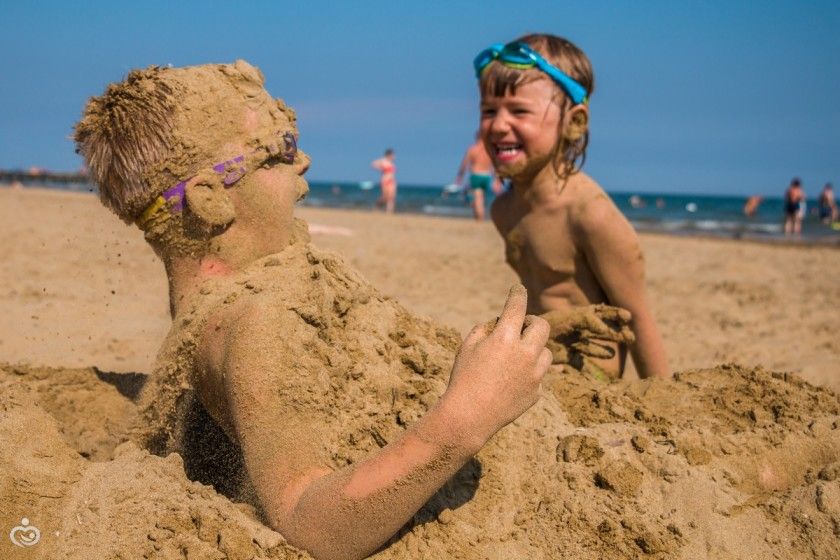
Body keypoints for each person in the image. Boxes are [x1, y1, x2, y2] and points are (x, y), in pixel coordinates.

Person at [74, 60, 631, 560]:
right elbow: (307, 521)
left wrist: (537, 335)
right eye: (282, 149)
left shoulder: (234, 302)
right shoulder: (255, 323)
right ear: (210, 200)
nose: (306, 163)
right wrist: (466, 419)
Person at [477, 34, 670, 380]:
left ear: (574, 122)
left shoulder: (589, 215)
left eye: (519, 110)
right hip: (536, 367)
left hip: (587, 377)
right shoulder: (503, 210)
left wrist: (662, 398)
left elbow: (637, 319)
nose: (498, 125)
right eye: (489, 110)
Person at [454, 132, 501, 221]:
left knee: (477, 198)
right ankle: (478, 216)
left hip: (476, 175)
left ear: (476, 137)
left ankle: (479, 219)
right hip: (487, 176)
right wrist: (497, 180)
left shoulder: (472, 149)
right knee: (480, 198)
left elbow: (464, 164)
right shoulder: (489, 150)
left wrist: (459, 177)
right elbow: (494, 166)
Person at [371, 148, 397, 213]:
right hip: (385, 180)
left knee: (391, 197)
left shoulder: (391, 163)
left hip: (392, 181)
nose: (394, 157)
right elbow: (373, 164)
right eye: (393, 155)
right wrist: (380, 168)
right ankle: (377, 206)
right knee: (385, 197)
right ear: (389, 155)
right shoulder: (383, 161)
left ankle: (389, 211)